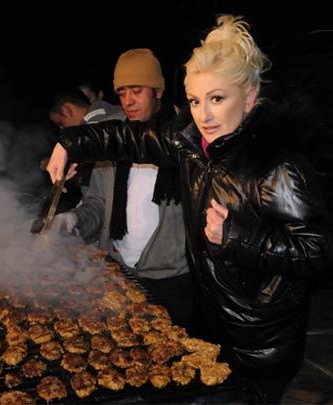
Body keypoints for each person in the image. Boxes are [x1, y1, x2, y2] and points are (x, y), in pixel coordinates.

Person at [46, 15, 332, 404]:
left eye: (218, 98)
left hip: (259, 346)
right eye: (196, 101)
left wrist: (236, 238)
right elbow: (130, 139)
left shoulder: (278, 165)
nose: (204, 116)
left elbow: (318, 252)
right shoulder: (194, 148)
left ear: (249, 97)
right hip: (210, 326)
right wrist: (70, 142)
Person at [53, 50, 192, 328]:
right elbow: (99, 205)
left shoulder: (185, 139)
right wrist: (75, 219)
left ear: (158, 91)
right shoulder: (113, 142)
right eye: (122, 92)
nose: (128, 101)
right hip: (119, 271)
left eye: (137, 90)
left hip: (172, 280)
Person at [31, 86, 124, 233]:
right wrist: (75, 218)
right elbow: (99, 198)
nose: (62, 131)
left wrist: (70, 143)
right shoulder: (91, 138)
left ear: (67, 110)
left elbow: (116, 131)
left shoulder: (113, 121)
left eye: (61, 124)